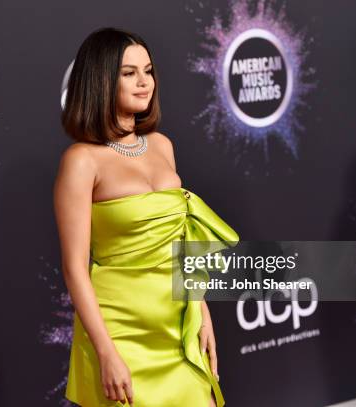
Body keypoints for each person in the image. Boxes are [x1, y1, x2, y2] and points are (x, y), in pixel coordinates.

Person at [53, 27, 239, 407]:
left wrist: (200, 311)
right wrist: (105, 352)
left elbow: (180, 244)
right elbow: (75, 268)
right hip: (120, 332)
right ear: (101, 81)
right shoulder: (81, 161)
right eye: (128, 73)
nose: (144, 82)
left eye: (149, 70)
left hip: (177, 323)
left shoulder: (162, 146)